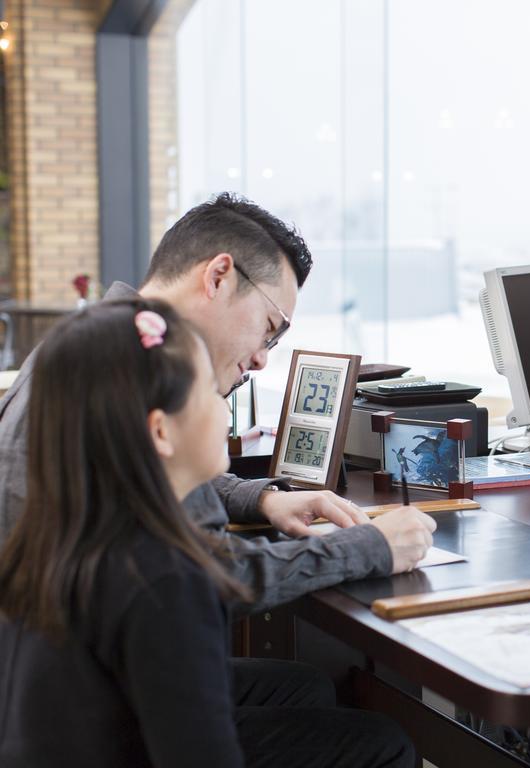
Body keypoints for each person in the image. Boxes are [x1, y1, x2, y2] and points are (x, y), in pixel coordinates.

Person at [0, 300, 415, 767]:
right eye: (211, 394)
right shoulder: (166, 582)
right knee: (383, 740)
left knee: (307, 684)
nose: (224, 410)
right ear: (160, 431)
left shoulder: (71, 535)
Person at [0, 193, 436, 612]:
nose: (263, 359)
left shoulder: (89, 352)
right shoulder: (124, 377)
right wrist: (370, 547)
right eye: (270, 327)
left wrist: (262, 499)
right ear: (218, 277)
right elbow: (210, 579)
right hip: (95, 676)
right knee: (302, 689)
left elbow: (139, 478)